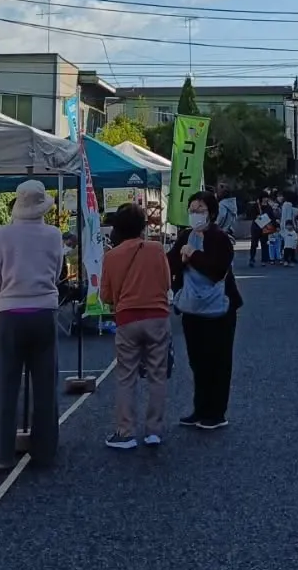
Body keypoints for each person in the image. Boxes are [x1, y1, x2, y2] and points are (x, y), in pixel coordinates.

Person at [0, 179, 64, 472]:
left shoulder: (4, 235)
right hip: (45, 312)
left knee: (6, 385)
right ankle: (45, 451)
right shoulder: (54, 235)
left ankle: (0, 454)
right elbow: (56, 273)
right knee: (45, 386)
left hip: (11, 314)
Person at [99, 204, 171, 450]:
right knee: (157, 374)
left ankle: (125, 432)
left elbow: (106, 296)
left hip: (127, 318)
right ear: (143, 226)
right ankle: (154, 431)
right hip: (157, 316)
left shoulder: (111, 256)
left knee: (126, 375)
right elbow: (167, 282)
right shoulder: (157, 249)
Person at [169, 190, 242, 430]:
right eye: (191, 210)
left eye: (199, 210)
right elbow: (170, 263)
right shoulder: (184, 236)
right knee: (197, 360)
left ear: (211, 212)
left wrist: (194, 255)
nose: (195, 214)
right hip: (192, 308)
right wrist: (181, 257)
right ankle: (200, 409)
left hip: (220, 308)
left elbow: (217, 271)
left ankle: (217, 412)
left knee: (218, 360)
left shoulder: (219, 237)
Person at [279, 190, 298, 266]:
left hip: (285, 225)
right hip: (288, 225)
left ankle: (287, 258)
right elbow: (289, 216)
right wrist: (292, 226)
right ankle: (288, 258)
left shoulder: (285, 204)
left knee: (288, 244)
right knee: (290, 244)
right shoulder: (288, 205)